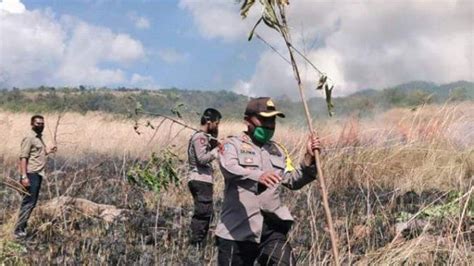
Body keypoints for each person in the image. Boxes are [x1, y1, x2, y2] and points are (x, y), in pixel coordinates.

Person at [216, 97, 321, 265]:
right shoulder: (231, 145)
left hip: (271, 229)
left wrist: (309, 157)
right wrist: (258, 176)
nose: (269, 125)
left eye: (272, 120)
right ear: (247, 121)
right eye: (264, 119)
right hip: (237, 231)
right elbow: (229, 168)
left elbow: (292, 180)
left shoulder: (277, 151)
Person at [15, 115, 57, 238]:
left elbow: (38, 154)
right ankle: (19, 230)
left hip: (38, 174)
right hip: (30, 174)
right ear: (32, 124)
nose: (41, 126)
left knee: (31, 202)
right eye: (38, 123)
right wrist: (24, 177)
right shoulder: (29, 137)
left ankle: (22, 228)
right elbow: (23, 157)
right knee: (29, 202)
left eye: (42, 123)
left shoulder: (39, 138)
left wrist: (49, 151)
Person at [187, 108, 222, 248]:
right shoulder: (200, 137)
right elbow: (202, 159)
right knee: (203, 213)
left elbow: (213, 144)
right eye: (216, 123)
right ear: (209, 121)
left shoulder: (206, 137)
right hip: (200, 179)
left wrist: (215, 137)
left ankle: (200, 243)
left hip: (203, 180)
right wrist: (216, 151)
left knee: (206, 213)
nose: (217, 126)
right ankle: (196, 245)